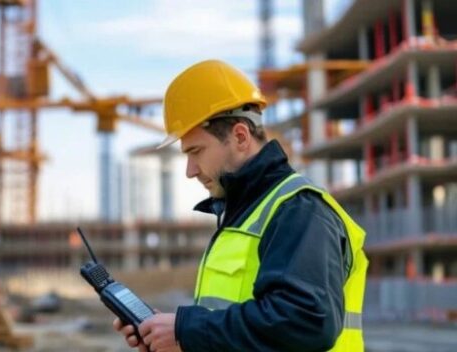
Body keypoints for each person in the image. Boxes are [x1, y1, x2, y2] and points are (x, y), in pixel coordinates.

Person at [113, 60, 368, 351]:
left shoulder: (299, 209)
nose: (190, 170)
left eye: (196, 151)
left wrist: (188, 330)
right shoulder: (243, 214)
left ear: (240, 137)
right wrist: (174, 337)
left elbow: (306, 321)